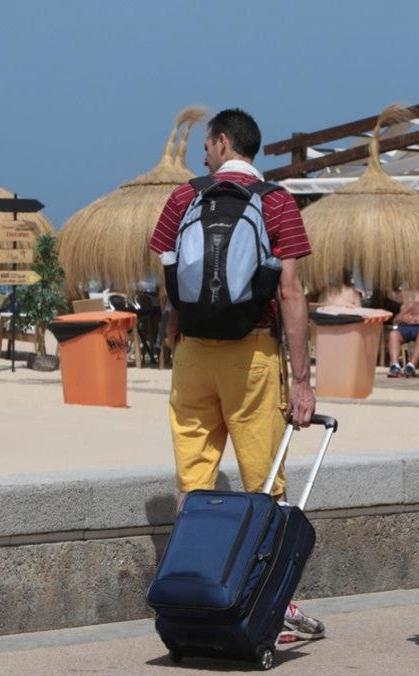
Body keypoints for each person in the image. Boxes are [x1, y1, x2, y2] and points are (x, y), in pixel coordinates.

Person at [149, 108, 323, 645]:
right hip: (253, 355)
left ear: (223, 142)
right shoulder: (277, 202)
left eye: (206, 144)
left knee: (194, 484)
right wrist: (300, 377)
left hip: (194, 355)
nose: (202, 154)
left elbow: (167, 279)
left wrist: (178, 328)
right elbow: (290, 291)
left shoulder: (184, 197)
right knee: (264, 484)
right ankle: (271, 604)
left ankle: (189, 597)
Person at [387, 283, 419, 378]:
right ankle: (395, 366)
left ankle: (411, 366)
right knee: (393, 334)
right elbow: (396, 319)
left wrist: (418, 319)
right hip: (406, 328)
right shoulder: (412, 305)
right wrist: (405, 319)